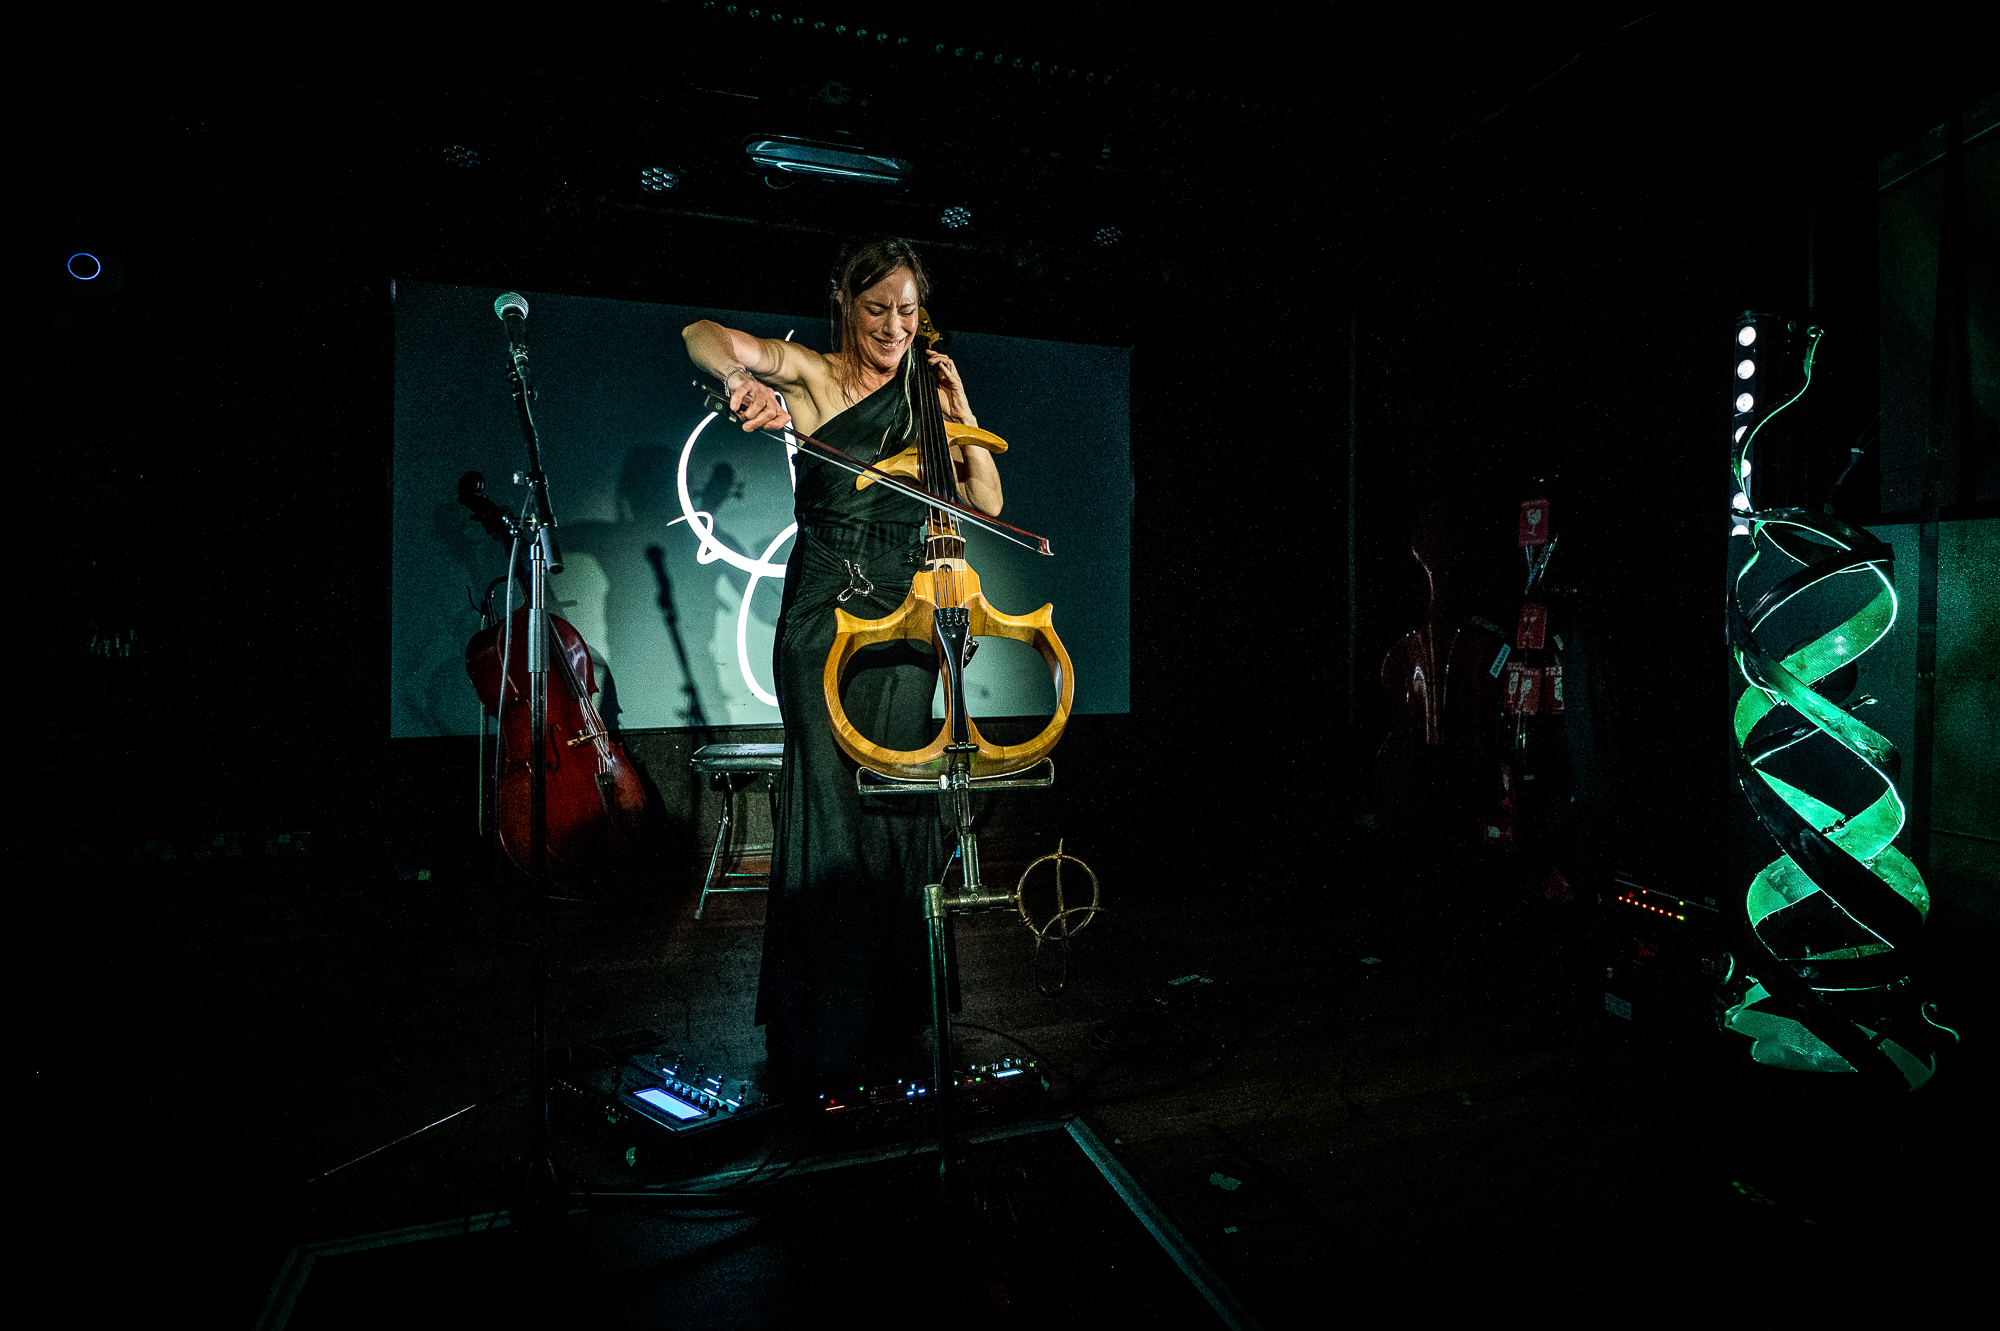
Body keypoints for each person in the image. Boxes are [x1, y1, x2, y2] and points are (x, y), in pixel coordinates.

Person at [681, 237, 1001, 1096]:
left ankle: (892, 1012)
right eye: (877, 309)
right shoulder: (815, 377)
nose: (895, 327)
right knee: (830, 809)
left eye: (908, 311)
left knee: (898, 808)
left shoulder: (925, 395)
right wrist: (740, 380)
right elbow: (699, 334)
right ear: (844, 303)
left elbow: (987, 500)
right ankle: (823, 1020)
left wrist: (960, 405)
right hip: (828, 614)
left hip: (907, 621)